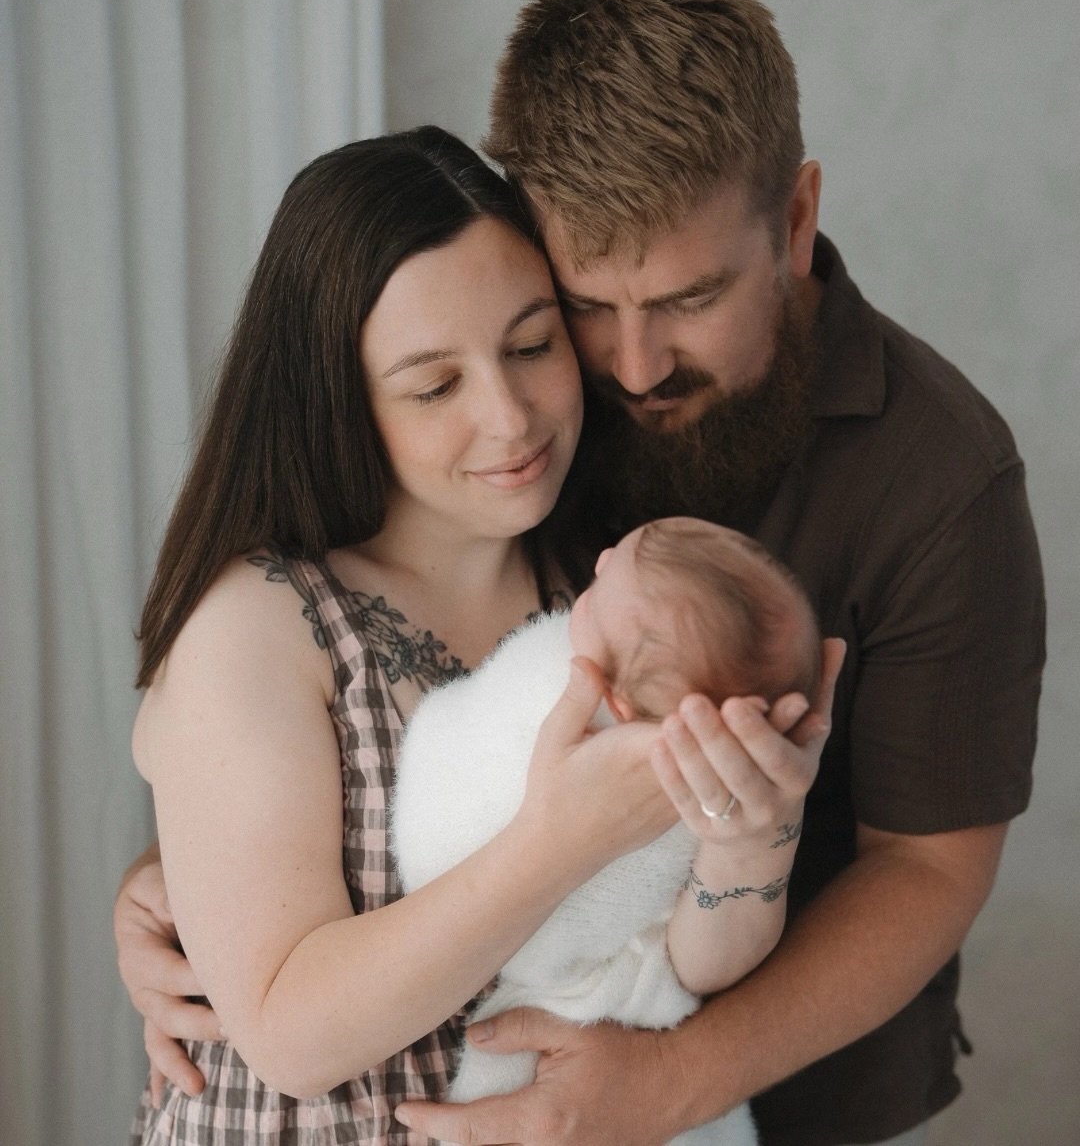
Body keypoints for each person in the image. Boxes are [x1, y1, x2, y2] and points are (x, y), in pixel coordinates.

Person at [116, 0, 1044, 1144]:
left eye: (690, 300)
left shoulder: (941, 474)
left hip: (794, 1081)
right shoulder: (534, 433)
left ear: (796, 220)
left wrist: (666, 1081)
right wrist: (182, 884)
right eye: (587, 309)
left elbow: (928, 867)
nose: (634, 367)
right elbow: (303, 749)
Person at [121, 124, 833, 1145]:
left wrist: (757, 829)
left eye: (533, 346)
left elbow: (683, 952)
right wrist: (563, 838)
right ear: (340, 399)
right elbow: (290, 1036)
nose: (511, 418)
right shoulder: (261, 623)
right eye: (434, 386)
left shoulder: (618, 599)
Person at [392, 517, 822, 1146]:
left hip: (560, 1002)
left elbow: (438, 823)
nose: (596, 565)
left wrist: (753, 846)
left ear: (617, 704)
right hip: (604, 999)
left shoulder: (555, 684)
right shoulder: (703, 776)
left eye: (598, 594)